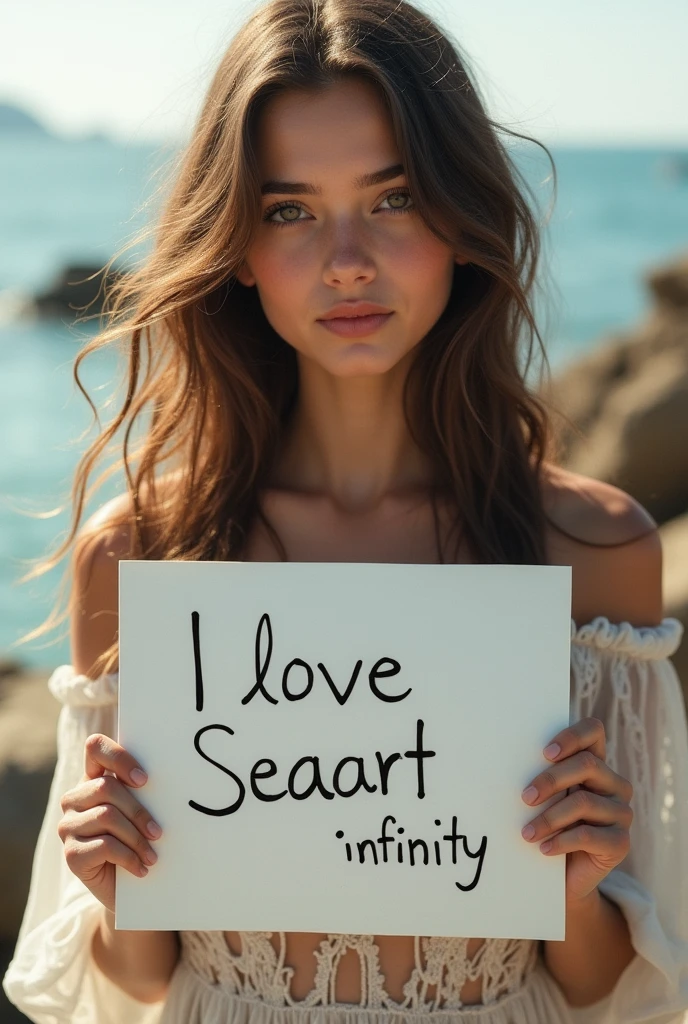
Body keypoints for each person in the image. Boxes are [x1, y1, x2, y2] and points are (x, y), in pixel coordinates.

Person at [3, 0, 688, 1021]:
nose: (348, 259)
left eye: (395, 197)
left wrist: (578, 881)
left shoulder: (592, 551)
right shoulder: (143, 558)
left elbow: (609, 988)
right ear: (234, 243)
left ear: (460, 221)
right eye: (289, 210)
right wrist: (114, 875)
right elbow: (134, 977)